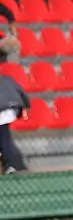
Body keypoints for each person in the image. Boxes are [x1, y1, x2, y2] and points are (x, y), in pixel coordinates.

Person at [0, 31, 28, 174]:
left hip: (4, 108)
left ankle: (10, 164)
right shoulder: (6, 79)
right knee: (4, 136)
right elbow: (22, 94)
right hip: (9, 107)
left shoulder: (6, 79)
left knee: (4, 137)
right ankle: (11, 164)